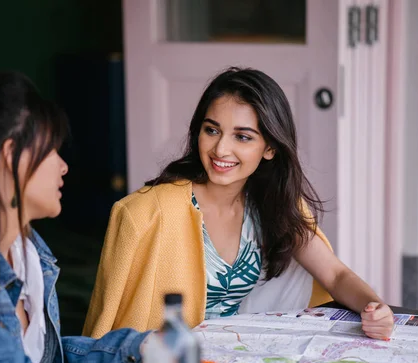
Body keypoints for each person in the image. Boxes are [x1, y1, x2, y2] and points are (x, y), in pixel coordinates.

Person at [0, 72, 287, 363]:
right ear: (9, 158)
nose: (63, 166)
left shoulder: (26, 249)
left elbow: (48, 361)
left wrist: (142, 347)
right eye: (51, 151)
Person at [83, 67, 395, 347]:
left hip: (243, 358)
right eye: (212, 130)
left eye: (242, 137)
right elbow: (105, 322)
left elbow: (336, 275)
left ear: (270, 147)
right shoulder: (145, 213)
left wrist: (374, 307)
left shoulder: (276, 205)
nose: (221, 149)